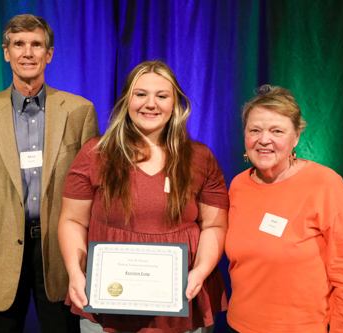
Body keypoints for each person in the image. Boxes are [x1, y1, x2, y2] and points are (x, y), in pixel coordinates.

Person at [58, 60, 229, 333]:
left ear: (174, 104)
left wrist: (200, 272)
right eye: (141, 94)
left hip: (181, 302)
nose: (151, 104)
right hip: (107, 302)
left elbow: (215, 225)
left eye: (161, 96)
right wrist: (76, 273)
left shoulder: (200, 157)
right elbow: (73, 221)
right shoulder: (95, 153)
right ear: (127, 101)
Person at [0, 14, 99, 333]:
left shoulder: (79, 111)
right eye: (19, 44)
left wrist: (94, 262)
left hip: (61, 253)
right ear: (6, 52)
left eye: (36, 44)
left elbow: (93, 193)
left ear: (49, 54)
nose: (28, 52)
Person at [225, 85, 343, 333]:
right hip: (240, 325)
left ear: (296, 138)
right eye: (254, 130)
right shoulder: (238, 185)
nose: (264, 139)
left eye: (277, 131)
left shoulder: (325, 185)